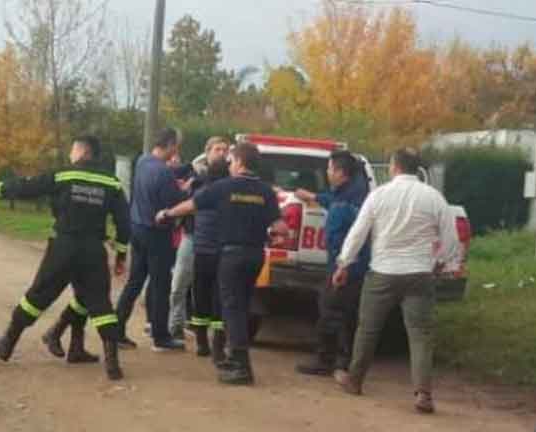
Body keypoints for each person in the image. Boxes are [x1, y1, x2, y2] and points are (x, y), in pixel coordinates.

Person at [0, 136, 130, 381]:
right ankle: (112, 364)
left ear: (82, 152)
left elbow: (26, 186)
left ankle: (7, 343)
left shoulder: (63, 175)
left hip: (63, 247)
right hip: (92, 250)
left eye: (73, 150)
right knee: (100, 304)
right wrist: (121, 253)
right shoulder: (111, 182)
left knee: (37, 297)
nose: (70, 154)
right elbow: (124, 220)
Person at [333, 148, 460, 414]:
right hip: (419, 274)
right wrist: (440, 263)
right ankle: (423, 393)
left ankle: (355, 380)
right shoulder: (434, 198)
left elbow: (358, 232)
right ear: (417, 169)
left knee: (368, 329)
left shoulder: (378, 195)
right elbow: (450, 237)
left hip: (382, 272)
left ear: (394, 167)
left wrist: (344, 263)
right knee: (421, 334)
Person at [156, 142, 282, 385]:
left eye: (232, 160)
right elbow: (281, 229)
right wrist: (268, 233)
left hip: (231, 255)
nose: (229, 164)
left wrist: (167, 214)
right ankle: (234, 359)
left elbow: (191, 206)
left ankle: (241, 367)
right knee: (242, 306)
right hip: (256, 256)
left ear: (240, 163)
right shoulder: (266, 192)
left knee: (231, 309)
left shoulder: (223, 187)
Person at [294, 150, 370, 376]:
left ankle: (330, 360)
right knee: (343, 312)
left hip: (345, 266)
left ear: (341, 173)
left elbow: (343, 234)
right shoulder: (352, 194)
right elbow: (330, 198)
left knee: (332, 311)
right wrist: (313, 197)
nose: (327, 172)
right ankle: (342, 360)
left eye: (329, 168)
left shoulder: (347, 201)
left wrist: (342, 266)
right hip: (350, 264)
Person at [115, 128, 191, 351]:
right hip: (157, 233)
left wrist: (183, 170)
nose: (177, 150)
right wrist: (186, 191)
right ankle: (161, 337)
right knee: (160, 285)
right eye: (176, 145)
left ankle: (117, 330)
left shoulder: (143, 162)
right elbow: (174, 202)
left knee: (134, 282)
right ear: (169, 145)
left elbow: (160, 182)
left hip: (137, 228)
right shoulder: (164, 173)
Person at [169, 137, 229, 341]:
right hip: (191, 235)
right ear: (207, 151)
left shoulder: (230, 177)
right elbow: (173, 190)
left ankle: (210, 336)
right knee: (179, 284)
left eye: (225, 150)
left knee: (211, 290)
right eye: (217, 149)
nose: (221, 153)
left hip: (218, 242)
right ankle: (175, 326)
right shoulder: (190, 172)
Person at [188, 139, 231, 360]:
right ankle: (218, 344)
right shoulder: (230, 189)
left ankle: (202, 342)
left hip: (202, 248)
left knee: (201, 295)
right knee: (220, 297)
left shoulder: (199, 185)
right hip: (223, 249)